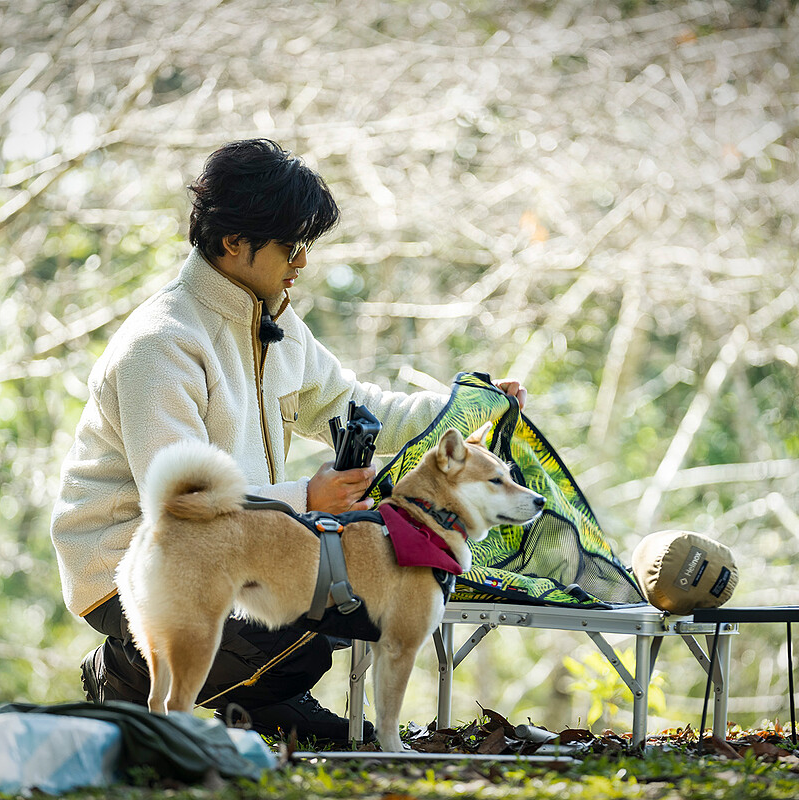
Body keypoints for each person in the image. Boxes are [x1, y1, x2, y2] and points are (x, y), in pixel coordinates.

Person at [50, 138, 525, 745]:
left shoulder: (273, 319)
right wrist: (308, 495)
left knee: (349, 598)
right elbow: (181, 505)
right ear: (233, 243)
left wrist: (471, 404)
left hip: (244, 543)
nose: (302, 260)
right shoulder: (160, 344)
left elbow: (360, 404)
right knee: (302, 630)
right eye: (290, 245)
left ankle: (262, 696)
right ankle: (124, 677)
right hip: (131, 563)